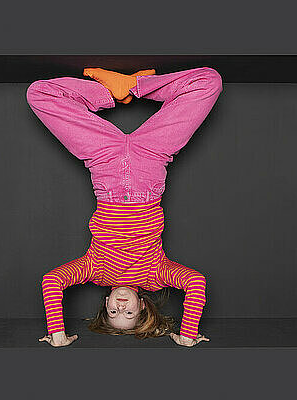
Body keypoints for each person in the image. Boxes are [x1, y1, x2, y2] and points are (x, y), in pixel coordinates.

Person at [25, 66, 223, 347]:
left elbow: (52, 282)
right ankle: (135, 85)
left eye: (113, 312)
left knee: (39, 93)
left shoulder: (94, 269)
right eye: (128, 313)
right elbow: (196, 283)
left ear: (105, 303)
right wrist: (187, 334)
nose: (121, 306)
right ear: (142, 305)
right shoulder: (156, 275)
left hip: (102, 158)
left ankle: (109, 91)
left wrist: (57, 333)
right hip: (152, 155)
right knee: (209, 81)